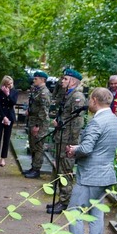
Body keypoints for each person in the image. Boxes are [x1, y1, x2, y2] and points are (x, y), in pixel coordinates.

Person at [56, 87, 117, 234]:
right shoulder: (115, 120)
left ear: (94, 100)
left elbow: (86, 148)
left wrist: (73, 149)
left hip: (90, 176)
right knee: (96, 215)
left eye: (89, 99)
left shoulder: (96, 122)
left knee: (73, 212)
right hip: (106, 175)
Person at [47, 68, 87, 214]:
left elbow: (77, 122)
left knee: (65, 171)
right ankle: (61, 199)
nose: (62, 81)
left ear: (73, 81)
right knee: (60, 170)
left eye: (65, 79)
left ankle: (65, 202)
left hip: (68, 141)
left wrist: (72, 144)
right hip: (61, 138)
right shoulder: (67, 94)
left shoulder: (77, 97)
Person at [23, 71, 51, 179]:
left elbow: (44, 111)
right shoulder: (36, 90)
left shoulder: (44, 92)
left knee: (38, 147)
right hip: (33, 121)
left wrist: (37, 126)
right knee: (33, 145)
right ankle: (33, 167)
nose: (34, 80)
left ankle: (36, 169)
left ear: (42, 80)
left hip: (39, 124)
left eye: (36, 79)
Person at [0, 75, 18, 167]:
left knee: (6, 138)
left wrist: (8, 94)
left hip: (10, 116)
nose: (10, 85)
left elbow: (13, 102)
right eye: (8, 84)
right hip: (0, 117)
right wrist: (3, 117)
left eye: (11, 83)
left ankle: (3, 158)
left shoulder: (14, 92)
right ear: (4, 84)